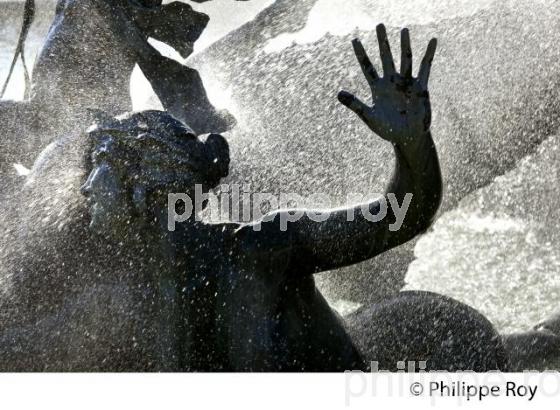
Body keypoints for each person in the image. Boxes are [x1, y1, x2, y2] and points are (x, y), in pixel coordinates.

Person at [80, 25, 537, 371]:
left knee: (539, 346)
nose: (83, 187)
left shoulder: (263, 247)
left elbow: (404, 214)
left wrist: (412, 143)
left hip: (406, 357)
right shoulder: (117, 287)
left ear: (147, 185)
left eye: (99, 169)